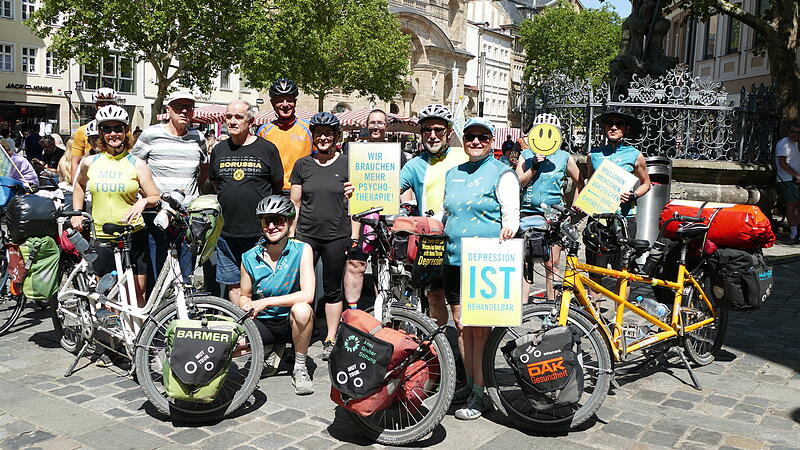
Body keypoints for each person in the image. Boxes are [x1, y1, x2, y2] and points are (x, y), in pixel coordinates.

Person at [442, 117, 519, 420]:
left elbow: (511, 213)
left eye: (482, 138)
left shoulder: (502, 173)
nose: (475, 142)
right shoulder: (453, 173)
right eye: (470, 137)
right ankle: (472, 383)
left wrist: (509, 230)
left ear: (491, 142)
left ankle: (481, 391)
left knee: (480, 330)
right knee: (462, 327)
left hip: (483, 259)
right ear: (463, 139)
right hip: (453, 258)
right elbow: (444, 212)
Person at [70, 105, 160, 310]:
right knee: (108, 295)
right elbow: (79, 186)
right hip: (102, 237)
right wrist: (77, 212)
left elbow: (155, 195)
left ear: (126, 131)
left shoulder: (137, 164)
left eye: (118, 128)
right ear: (100, 133)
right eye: (107, 129)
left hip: (133, 235)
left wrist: (143, 201)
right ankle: (112, 339)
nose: (113, 134)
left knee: (137, 294)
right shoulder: (89, 162)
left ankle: (136, 338)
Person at [394, 104, 468, 328]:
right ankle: (441, 347)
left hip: (461, 240)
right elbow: (389, 189)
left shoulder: (463, 157)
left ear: (449, 133)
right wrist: (360, 193)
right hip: (431, 242)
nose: (433, 135)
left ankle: (466, 355)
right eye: (427, 130)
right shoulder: (414, 165)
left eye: (439, 130)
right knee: (435, 297)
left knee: (459, 306)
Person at [289, 112, 351, 361]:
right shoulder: (302, 164)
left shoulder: (347, 163)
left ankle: (330, 337)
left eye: (328, 133)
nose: (323, 138)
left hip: (337, 234)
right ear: (313, 137)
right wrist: (291, 235)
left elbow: (358, 201)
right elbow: (295, 202)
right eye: (319, 133)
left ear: (336, 137)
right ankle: (301, 335)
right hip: (306, 235)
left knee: (333, 289)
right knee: (303, 289)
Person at [131, 91, 208, 289]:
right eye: (178, 107)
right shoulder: (150, 135)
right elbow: (134, 168)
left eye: (188, 107)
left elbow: (203, 170)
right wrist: (147, 196)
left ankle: (184, 313)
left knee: (186, 272)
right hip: (156, 212)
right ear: (168, 110)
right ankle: (156, 313)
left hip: (187, 214)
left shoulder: (198, 137)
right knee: (155, 270)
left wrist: (193, 194)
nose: (184, 111)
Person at [239, 195, 315, 394]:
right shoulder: (249, 256)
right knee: (233, 347)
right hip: (263, 322)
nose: (271, 226)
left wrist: (266, 302)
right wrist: (246, 304)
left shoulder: (302, 249)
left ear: (289, 222)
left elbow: (308, 294)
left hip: (289, 321)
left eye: (278, 220)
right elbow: (244, 294)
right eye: (266, 221)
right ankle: (271, 349)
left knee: (302, 309)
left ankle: (300, 366)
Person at [210, 100, 283, 305]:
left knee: (261, 282)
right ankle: (241, 329)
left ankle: (261, 328)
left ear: (250, 121)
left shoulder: (267, 149)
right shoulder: (218, 150)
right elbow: (216, 184)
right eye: (229, 117)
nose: (232, 121)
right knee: (233, 284)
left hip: (259, 232)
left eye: (238, 117)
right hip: (226, 233)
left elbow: (276, 185)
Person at [342, 108, 412, 310]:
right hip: (360, 215)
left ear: (386, 126)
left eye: (380, 123)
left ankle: (382, 312)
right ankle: (353, 311)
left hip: (386, 216)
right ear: (367, 125)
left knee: (384, 266)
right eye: (372, 122)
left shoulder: (396, 153)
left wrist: (405, 210)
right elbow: (347, 180)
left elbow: (403, 184)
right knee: (356, 263)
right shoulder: (353, 150)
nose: (376, 126)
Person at [516, 113, 583, 301]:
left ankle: (551, 303)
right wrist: (534, 167)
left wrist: (576, 203)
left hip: (554, 216)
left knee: (552, 263)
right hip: (528, 214)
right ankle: (523, 305)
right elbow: (518, 182)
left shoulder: (564, 157)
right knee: (526, 261)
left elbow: (580, 181)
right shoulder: (526, 155)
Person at [585, 110, 651, 298]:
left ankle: (618, 320)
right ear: (604, 128)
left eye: (619, 124)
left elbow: (647, 184)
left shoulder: (635, 155)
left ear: (626, 129)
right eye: (610, 124)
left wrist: (633, 195)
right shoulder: (594, 155)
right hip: (598, 219)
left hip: (624, 220)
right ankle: (593, 317)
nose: (614, 127)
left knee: (623, 271)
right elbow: (590, 183)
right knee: (595, 270)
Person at [256, 79, 312, 193]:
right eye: (280, 100)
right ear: (272, 103)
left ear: (295, 102)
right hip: (272, 191)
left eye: (289, 100)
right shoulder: (264, 131)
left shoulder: (309, 129)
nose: (285, 105)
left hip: (303, 191)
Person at [70, 88, 130, 180]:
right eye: (101, 104)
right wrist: (76, 187)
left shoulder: (123, 132)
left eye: (110, 103)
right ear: (95, 106)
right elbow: (76, 162)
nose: (106, 107)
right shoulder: (82, 131)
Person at [775, 123, 800, 244]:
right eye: (792, 132)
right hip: (786, 179)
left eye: (796, 133)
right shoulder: (784, 144)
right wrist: (796, 174)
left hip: (795, 178)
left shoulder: (795, 144)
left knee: (796, 204)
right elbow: (782, 163)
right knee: (792, 203)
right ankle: (793, 232)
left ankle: (796, 229)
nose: (793, 134)